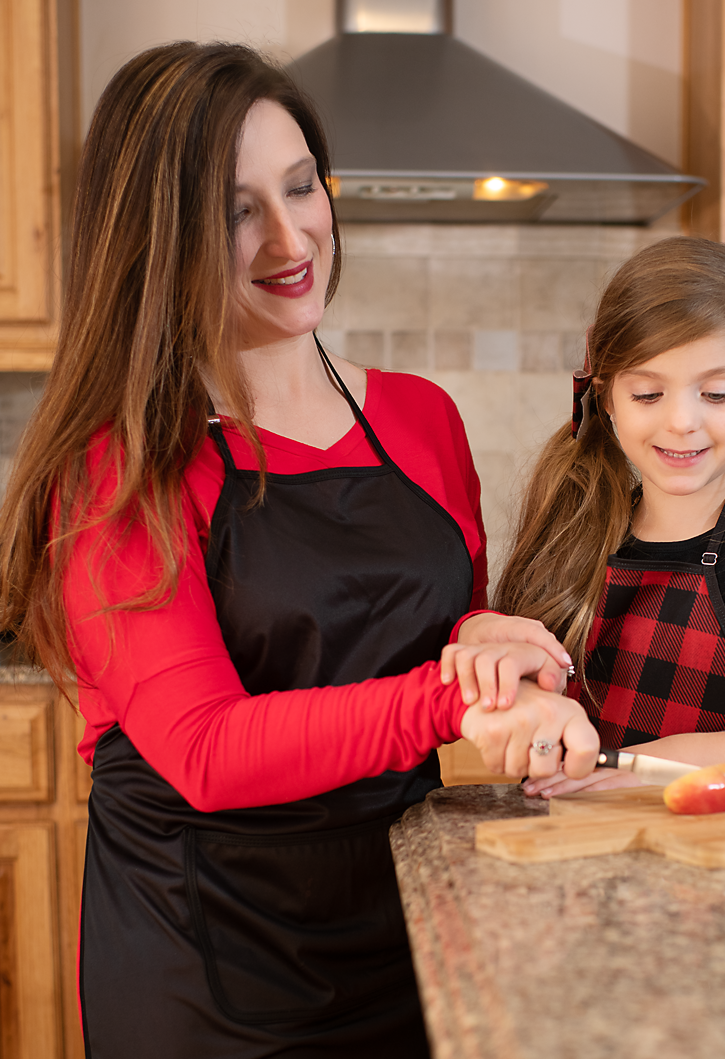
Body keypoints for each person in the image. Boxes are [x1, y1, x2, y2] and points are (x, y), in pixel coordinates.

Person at [0, 42, 598, 1058]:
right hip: (207, 956)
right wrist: (453, 700)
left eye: (301, 185)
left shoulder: (419, 417)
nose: (291, 236)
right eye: (238, 210)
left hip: (403, 921)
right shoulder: (118, 467)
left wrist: (483, 634)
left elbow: (414, 625)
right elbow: (204, 751)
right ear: (160, 236)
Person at [493, 236, 725, 799]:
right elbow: (517, 699)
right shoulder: (567, 524)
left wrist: (643, 767)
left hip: (719, 850)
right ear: (608, 396)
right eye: (648, 394)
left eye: (715, 394)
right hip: (570, 849)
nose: (682, 421)